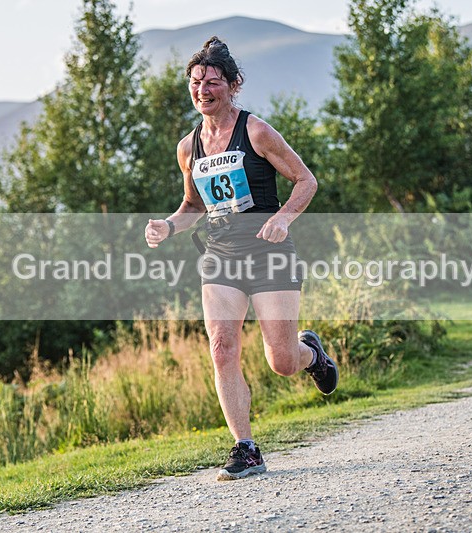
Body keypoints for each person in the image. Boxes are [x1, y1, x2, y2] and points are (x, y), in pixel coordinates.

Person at [144, 36, 338, 481]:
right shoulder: (187, 147)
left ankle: (313, 355)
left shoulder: (256, 131)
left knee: (281, 361)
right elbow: (193, 206)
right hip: (220, 256)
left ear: (234, 85)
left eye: (213, 82)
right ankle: (245, 447)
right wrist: (167, 225)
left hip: (269, 253)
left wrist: (285, 218)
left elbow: (305, 181)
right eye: (196, 82)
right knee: (221, 348)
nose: (203, 90)